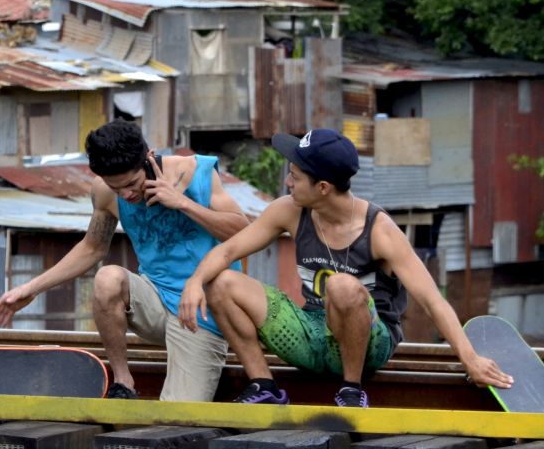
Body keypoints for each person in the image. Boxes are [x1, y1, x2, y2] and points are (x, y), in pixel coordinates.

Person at [178, 129, 513, 407]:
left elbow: (432, 301)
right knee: (221, 282)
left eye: (294, 178)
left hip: (370, 343)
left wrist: (470, 359)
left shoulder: (378, 230)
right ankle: (264, 386)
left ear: (322, 187)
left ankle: (351, 390)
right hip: (311, 333)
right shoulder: (289, 211)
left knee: (342, 285)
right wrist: (195, 282)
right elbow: (228, 250)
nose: (287, 185)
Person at [0, 120, 250, 401]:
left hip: (202, 311)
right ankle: (123, 381)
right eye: (117, 189)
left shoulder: (195, 172)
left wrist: (182, 202)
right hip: (156, 301)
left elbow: (244, 232)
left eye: (132, 184)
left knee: (175, 422)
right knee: (107, 278)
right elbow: (92, 248)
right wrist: (31, 288)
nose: (127, 195)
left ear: (148, 157)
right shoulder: (104, 191)